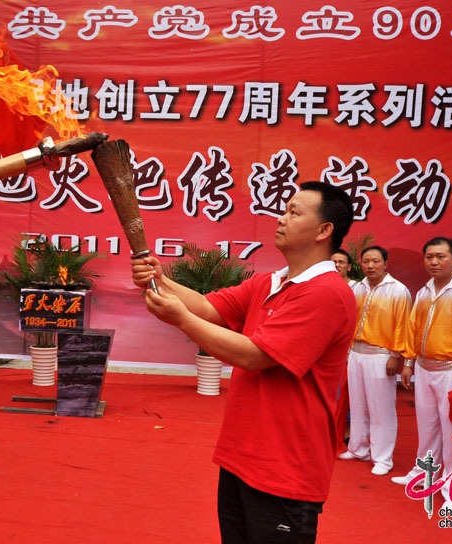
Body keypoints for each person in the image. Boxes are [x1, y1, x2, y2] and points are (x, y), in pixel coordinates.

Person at [132, 182, 356, 543]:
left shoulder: (326, 292)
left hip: (285, 469)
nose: (281, 219)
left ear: (324, 230)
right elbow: (208, 307)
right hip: (242, 457)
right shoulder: (269, 282)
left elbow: (255, 356)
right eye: (284, 209)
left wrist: (180, 319)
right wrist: (161, 281)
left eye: (294, 212)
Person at [391, 237, 452, 509]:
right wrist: (408, 363)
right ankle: (424, 473)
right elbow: (412, 328)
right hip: (424, 367)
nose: (433, 262)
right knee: (427, 425)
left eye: (440, 257)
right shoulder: (423, 292)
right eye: (429, 257)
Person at [338, 246, 411, 476]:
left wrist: (395, 355)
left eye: (376, 261)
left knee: (381, 409)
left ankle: (383, 458)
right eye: (366, 261)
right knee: (358, 405)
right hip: (356, 352)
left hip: (381, 354)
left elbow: (403, 325)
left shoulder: (398, 290)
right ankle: (358, 448)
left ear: (386, 263)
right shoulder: (357, 288)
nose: (370, 266)